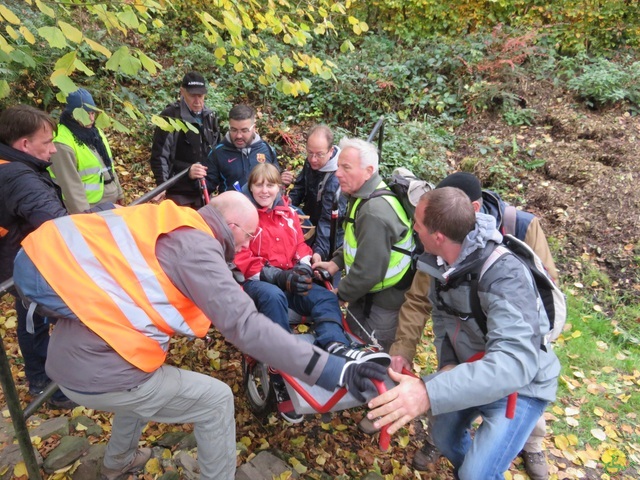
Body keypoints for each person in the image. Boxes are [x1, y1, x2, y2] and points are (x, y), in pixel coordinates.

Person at [12, 191, 389, 480]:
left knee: (148, 383)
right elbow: (245, 326)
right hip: (103, 371)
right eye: (250, 234)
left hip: (72, 360)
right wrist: (330, 371)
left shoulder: (169, 217)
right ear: (233, 225)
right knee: (216, 399)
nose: (249, 244)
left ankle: (118, 462)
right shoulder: (197, 249)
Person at [367, 187, 561, 480]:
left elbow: (513, 365)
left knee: (476, 473)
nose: (413, 228)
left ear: (438, 236)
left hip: (522, 387)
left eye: (418, 224)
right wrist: (447, 364)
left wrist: (428, 391)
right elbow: (445, 321)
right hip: (471, 371)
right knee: (444, 439)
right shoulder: (440, 264)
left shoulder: (504, 276)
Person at [235, 164, 388, 422]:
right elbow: (242, 258)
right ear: (251, 187)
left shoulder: (287, 214)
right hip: (259, 281)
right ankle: (279, 367)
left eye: (270, 185)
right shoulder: (245, 216)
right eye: (259, 185)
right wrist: (278, 276)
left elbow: (300, 247)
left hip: (291, 277)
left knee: (325, 296)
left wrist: (305, 267)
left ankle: (333, 343)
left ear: (278, 187)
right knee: (274, 297)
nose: (264, 190)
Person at [0, 104, 75, 409]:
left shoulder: (10, 164)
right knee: (37, 319)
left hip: (19, 259)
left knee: (34, 318)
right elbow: (57, 223)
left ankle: (45, 379)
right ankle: (46, 384)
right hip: (25, 266)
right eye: (47, 143)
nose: (54, 150)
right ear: (25, 144)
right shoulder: (20, 178)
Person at [313, 137, 415, 353]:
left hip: (381, 304)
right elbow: (356, 241)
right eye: (338, 166)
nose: (337, 173)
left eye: (345, 167)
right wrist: (335, 263)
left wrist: (339, 295)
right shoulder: (363, 195)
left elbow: (368, 272)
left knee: (370, 361)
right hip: (365, 295)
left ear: (368, 171)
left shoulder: (373, 211)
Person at [150, 71, 220, 208]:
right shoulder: (170, 117)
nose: (197, 101)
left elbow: (217, 151)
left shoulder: (210, 117)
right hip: (179, 193)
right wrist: (162, 185)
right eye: (192, 95)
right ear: (182, 92)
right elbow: (159, 156)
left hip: (205, 191)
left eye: (200, 95)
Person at [49, 88, 124, 213]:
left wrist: (119, 193)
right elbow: (70, 186)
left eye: (93, 113)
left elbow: (108, 166)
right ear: (72, 114)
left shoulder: (95, 132)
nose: (91, 118)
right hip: (90, 207)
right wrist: (84, 216)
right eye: (86, 114)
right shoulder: (61, 142)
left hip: (110, 201)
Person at [288, 124, 347, 262]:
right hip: (310, 225)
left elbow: (328, 222)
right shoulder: (311, 162)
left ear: (331, 151)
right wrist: (289, 203)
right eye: (310, 153)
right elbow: (301, 186)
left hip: (331, 237)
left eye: (319, 154)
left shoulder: (336, 180)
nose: (313, 159)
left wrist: (319, 252)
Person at [205, 104, 288, 193]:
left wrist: (282, 181)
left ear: (254, 128)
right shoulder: (217, 153)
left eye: (244, 130)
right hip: (232, 205)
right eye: (234, 130)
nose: (239, 135)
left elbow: (275, 183)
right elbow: (206, 187)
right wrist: (192, 177)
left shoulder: (267, 149)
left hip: (262, 205)